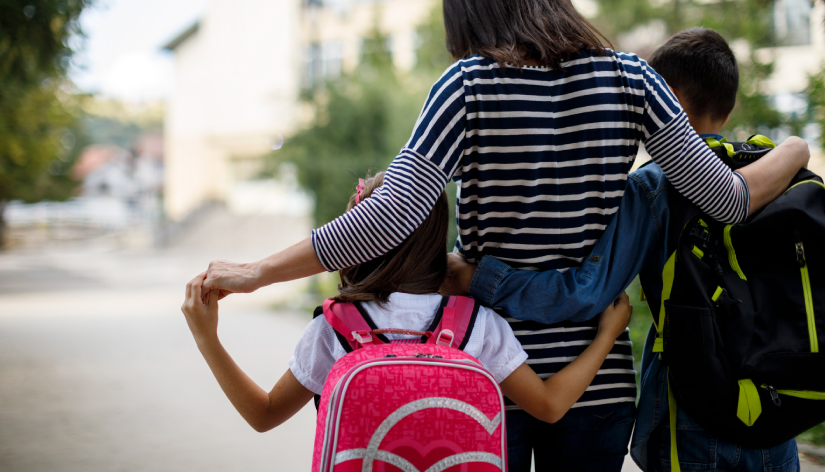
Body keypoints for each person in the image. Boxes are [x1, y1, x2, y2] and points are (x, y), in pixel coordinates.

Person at [200, 0, 808, 471]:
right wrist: (795, 149)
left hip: (485, 370)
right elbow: (729, 201)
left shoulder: (466, 86)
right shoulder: (632, 80)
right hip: (597, 378)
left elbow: (388, 218)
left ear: (469, 16)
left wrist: (256, 272)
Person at [445, 28, 801, 471]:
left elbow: (585, 292)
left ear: (665, 97)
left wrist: (478, 277)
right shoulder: (775, 174)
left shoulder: (654, 188)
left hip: (695, 406)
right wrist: (796, 147)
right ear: (725, 111)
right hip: (779, 409)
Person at [182, 173, 634, 436]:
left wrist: (207, 338)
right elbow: (550, 406)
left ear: (355, 240)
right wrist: (606, 337)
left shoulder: (334, 328)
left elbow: (263, 416)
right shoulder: (476, 324)